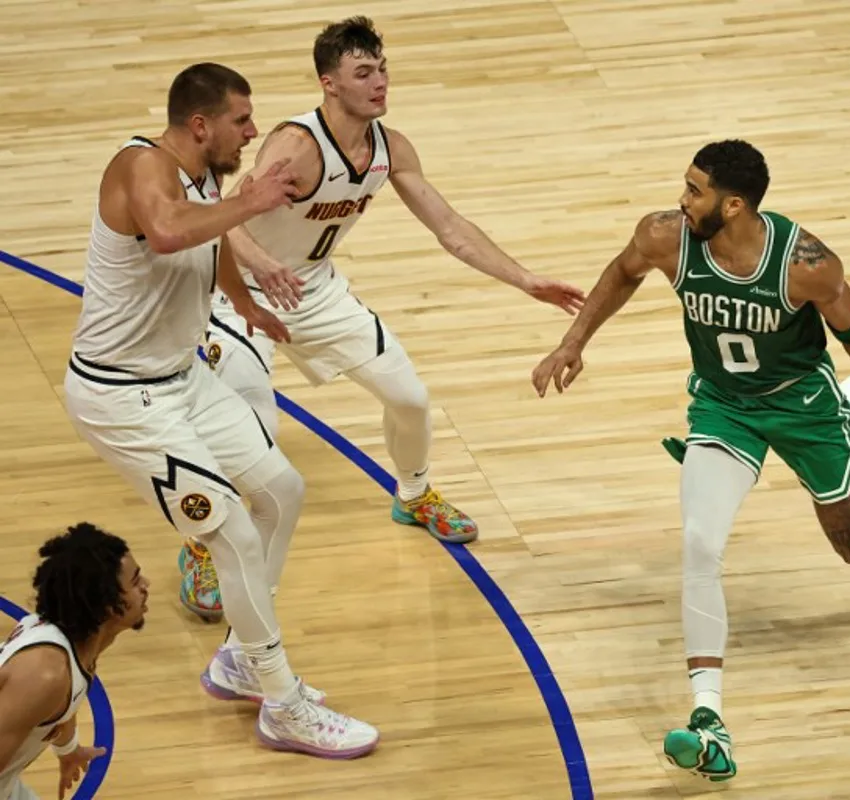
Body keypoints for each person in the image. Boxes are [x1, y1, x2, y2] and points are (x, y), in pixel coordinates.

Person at [531, 140, 850, 782]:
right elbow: (622, 272)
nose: (682, 198)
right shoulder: (665, 237)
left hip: (804, 407)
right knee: (701, 544)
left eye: (695, 191)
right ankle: (709, 722)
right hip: (723, 408)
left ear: (733, 205)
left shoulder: (806, 265)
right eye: (685, 184)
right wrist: (573, 340)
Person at [181, 15, 587, 620]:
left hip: (314, 290)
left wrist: (524, 279)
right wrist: (263, 265)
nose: (380, 82)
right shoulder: (295, 145)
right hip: (240, 293)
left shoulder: (391, 148)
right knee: (251, 433)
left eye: (383, 68)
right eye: (363, 72)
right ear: (329, 84)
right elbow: (225, 214)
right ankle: (200, 541)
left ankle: (414, 494)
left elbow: (450, 228)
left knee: (410, 398)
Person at [62, 62, 378, 758]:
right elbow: (172, 230)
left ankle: (240, 656)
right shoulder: (140, 164)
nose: (254, 130)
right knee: (231, 534)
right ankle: (283, 702)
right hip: (121, 396)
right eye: (242, 119)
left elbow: (207, 242)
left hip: (180, 377)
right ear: (199, 124)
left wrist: (244, 304)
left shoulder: (205, 179)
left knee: (282, 493)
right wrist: (255, 197)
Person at [0, 524, 145, 800]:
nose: (146, 586)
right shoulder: (44, 674)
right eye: (136, 582)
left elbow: (61, 704)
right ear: (107, 604)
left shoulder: (73, 651)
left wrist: (68, 750)